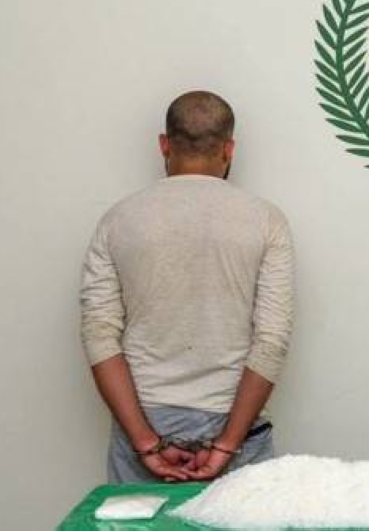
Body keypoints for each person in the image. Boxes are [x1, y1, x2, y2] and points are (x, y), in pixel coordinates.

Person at [80, 90, 294, 483]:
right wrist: (227, 444)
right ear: (228, 149)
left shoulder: (118, 220)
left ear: (164, 144)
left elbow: (99, 337)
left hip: (143, 422)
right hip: (237, 425)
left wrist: (146, 443)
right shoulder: (266, 220)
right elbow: (271, 342)